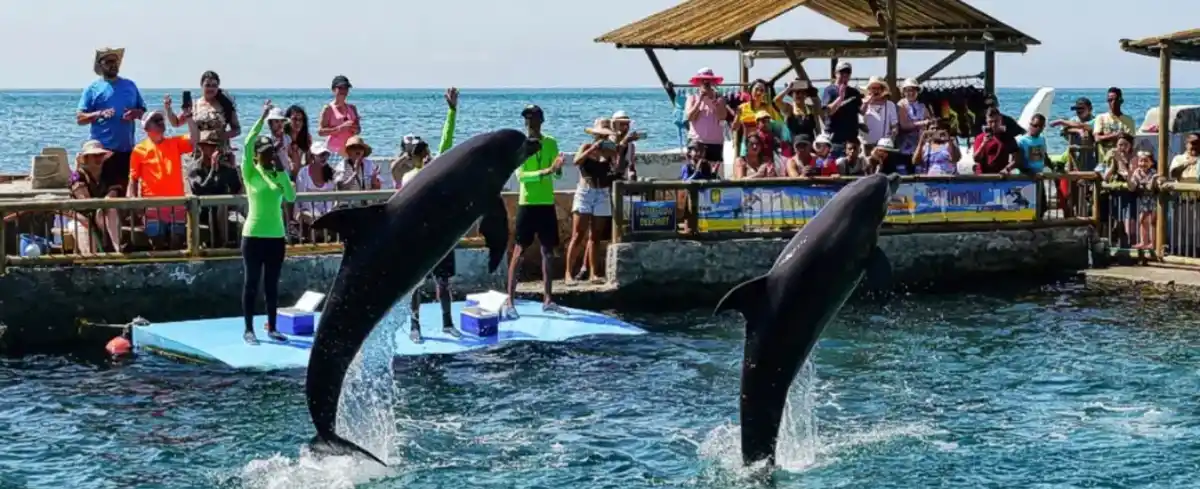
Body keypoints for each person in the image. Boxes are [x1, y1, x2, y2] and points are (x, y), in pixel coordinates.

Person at [396, 88, 460, 344]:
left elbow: (447, 140)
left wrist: (452, 111)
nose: (424, 154)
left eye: (425, 150)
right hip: (418, 239)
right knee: (416, 285)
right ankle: (415, 325)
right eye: (418, 152)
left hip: (441, 237)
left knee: (443, 282)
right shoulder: (407, 177)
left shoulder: (435, 169)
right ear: (411, 157)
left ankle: (447, 323)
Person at [240, 100, 298, 345]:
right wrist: (262, 117)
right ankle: (249, 329)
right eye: (263, 153)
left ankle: (272, 327)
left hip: (275, 236)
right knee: (251, 282)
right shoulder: (250, 171)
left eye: (270, 152)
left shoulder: (278, 174)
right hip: (253, 235)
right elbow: (247, 142)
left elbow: (291, 197)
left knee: (272, 285)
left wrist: (283, 172)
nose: (267, 156)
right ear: (257, 155)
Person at [505, 104, 565, 315]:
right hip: (527, 204)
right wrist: (548, 170)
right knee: (519, 252)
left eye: (533, 117)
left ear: (541, 120)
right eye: (527, 118)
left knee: (548, 252)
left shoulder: (551, 143)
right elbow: (522, 176)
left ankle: (548, 299)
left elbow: (557, 175)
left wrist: (557, 169)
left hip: (546, 204)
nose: (529, 121)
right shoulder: (521, 145)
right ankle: (510, 301)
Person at [76, 47, 146, 197]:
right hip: (101, 152)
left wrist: (135, 113)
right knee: (104, 194)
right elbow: (80, 118)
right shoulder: (92, 89)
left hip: (126, 150)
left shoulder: (130, 86)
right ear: (101, 65)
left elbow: (143, 112)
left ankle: (123, 219)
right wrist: (99, 113)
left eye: (115, 61)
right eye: (109, 62)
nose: (113, 65)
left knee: (124, 191)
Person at [129, 103, 192, 245]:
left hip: (176, 205)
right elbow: (133, 178)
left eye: (161, 120)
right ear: (146, 128)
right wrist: (134, 202)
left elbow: (195, 139)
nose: (160, 122)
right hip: (152, 206)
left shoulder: (175, 143)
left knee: (177, 244)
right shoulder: (139, 149)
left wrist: (188, 117)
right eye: (155, 121)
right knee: (157, 244)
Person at [566, 118, 619, 284]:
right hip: (585, 192)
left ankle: (593, 273)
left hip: (602, 192)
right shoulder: (586, 146)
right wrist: (592, 150)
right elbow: (576, 161)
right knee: (578, 234)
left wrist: (612, 154)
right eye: (600, 135)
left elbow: (616, 168)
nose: (602, 139)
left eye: (605, 136)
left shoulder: (609, 151)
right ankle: (568, 273)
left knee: (595, 236)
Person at [166, 71, 239, 163]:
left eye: (214, 85)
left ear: (218, 87)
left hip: (219, 153)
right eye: (208, 85)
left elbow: (237, 129)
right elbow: (176, 123)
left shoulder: (226, 105)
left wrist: (221, 136)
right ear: (201, 85)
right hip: (199, 154)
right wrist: (168, 109)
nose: (211, 88)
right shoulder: (195, 105)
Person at [68, 140, 123, 254]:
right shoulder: (77, 176)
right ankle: (91, 262)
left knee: (111, 210)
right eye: (94, 155)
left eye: (101, 155)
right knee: (88, 244)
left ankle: (118, 250)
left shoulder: (108, 173)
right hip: (81, 218)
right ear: (87, 158)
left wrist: (106, 203)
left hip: (104, 215)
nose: (98, 158)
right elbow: (84, 201)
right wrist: (99, 210)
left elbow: (114, 190)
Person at [684, 68, 730, 176]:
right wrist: (700, 100)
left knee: (713, 175)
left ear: (712, 82)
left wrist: (713, 101)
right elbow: (690, 117)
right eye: (703, 80)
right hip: (696, 142)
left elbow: (722, 116)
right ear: (698, 83)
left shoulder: (720, 99)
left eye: (708, 81)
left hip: (715, 143)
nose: (705, 83)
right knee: (695, 173)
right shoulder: (692, 98)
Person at [822, 61, 863, 158]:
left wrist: (868, 102)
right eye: (841, 72)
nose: (844, 75)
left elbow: (861, 111)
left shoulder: (854, 92)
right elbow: (828, 112)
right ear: (835, 73)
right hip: (835, 139)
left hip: (851, 140)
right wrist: (840, 98)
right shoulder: (829, 90)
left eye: (847, 73)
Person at [860, 76, 899, 172]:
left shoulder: (890, 105)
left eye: (878, 88)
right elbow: (859, 117)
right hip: (867, 146)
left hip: (884, 148)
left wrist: (891, 138)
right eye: (873, 88)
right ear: (868, 90)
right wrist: (866, 103)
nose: (876, 91)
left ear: (882, 90)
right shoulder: (862, 103)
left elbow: (894, 126)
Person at [318, 75, 361, 161]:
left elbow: (358, 130)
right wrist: (340, 128)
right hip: (334, 152)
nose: (343, 91)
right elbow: (320, 132)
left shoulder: (352, 108)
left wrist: (354, 128)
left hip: (350, 152)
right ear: (333, 89)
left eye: (346, 88)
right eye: (340, 88)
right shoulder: (328, 109)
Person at [294, 141, 336, 227]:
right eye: (321, 155)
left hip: (326, 212)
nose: (324, 157)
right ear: (313, 156)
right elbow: (301, 198)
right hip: (306, 211)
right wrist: (315, 214)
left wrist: (327, 213)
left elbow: (330, 198)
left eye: (326, 154)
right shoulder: (303, 173)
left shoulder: (331, 172)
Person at [896, 78, 932, 174]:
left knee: (920, 173)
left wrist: (926, 123)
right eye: (907, 90)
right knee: (906, 174)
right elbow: (904, 125)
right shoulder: (901, 105)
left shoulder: (922, 106)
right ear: (903, 92)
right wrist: (922, 123)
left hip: (920, 147)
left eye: (913, 90)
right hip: (905, 148)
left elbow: (929, 122)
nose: (910, 93)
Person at [972, 108, 1022, 174]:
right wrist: (983, 144)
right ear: (986, 121)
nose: (993, 124)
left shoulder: (1007, 137)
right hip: (983, 177)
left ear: (1000, 120)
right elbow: (976, 159)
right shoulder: (980, 138)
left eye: (996, 121)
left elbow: (1017, 159)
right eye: (990, 122)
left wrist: (1007, 169)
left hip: (1001, 176)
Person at [1093, 87, 1137, 161]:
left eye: (1115, 100)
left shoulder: (1129, 120)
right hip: (1105, 160)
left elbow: (1131, 141)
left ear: (1121, 101)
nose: (1112, 102)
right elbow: (1097, 138)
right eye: (1110, 100)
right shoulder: (1101, 118)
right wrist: (1115, 135)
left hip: (1123, 160)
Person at [1129, 150, 1158, 250]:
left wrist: (1153, 179)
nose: (1143, 163)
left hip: (1154, 199)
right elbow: (1133, 184)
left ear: (1151, 163)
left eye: (1146, 161)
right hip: (1143, 199)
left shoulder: (1153, 173)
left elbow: (1150, 187)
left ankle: (1153, 243)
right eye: (1141, 161)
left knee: (1153, 221)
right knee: (1142, 220)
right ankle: (1143, 241)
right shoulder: (1136, 172)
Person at [285, 105, 313, 175]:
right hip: (284, 173)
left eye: (300, 120)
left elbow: (309, 161)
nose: (297, 123)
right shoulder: (283, 137)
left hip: (298, 173)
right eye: (294, 119)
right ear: (287, 120)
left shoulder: (306, 137)